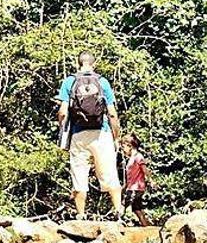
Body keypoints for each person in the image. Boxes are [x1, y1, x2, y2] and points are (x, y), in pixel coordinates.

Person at [56, 51, 125, 221]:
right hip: (102, 133)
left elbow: (63, 112)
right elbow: (112, 114)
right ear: (94, 64)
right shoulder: (102, 82)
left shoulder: (70, 81)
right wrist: (116, 136)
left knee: (79, 174)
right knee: (109, 172)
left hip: (78, 134)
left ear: (78, 63)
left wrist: (63, 131)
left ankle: (81, 215)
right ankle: (118, 212)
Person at [121, 133, 152, 227]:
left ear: (130, 146)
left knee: (123, 203)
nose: (123, 149)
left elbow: (145, 170)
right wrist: (124, 187)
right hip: (132, 187)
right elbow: (130, 176)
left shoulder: (138, 157)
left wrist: (151, 181)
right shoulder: (131, 159)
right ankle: (146, 226)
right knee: (137, 208)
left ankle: (117, 221)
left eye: (123, 147)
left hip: (137, 188)